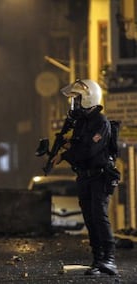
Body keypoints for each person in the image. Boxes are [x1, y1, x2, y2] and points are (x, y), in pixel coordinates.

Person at [51, 79, 118, 276]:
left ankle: (109, 259)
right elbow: (78, 146)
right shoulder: (81, 122)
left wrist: (65, 155)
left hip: (100, 176)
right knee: (89, 218)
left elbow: (88, 150)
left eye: (77, 99)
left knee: (99, 216)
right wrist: (65, 144)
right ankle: (98, 260)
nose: (74, 104)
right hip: (85, 176)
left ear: (89, 99)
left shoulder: (101, 122)